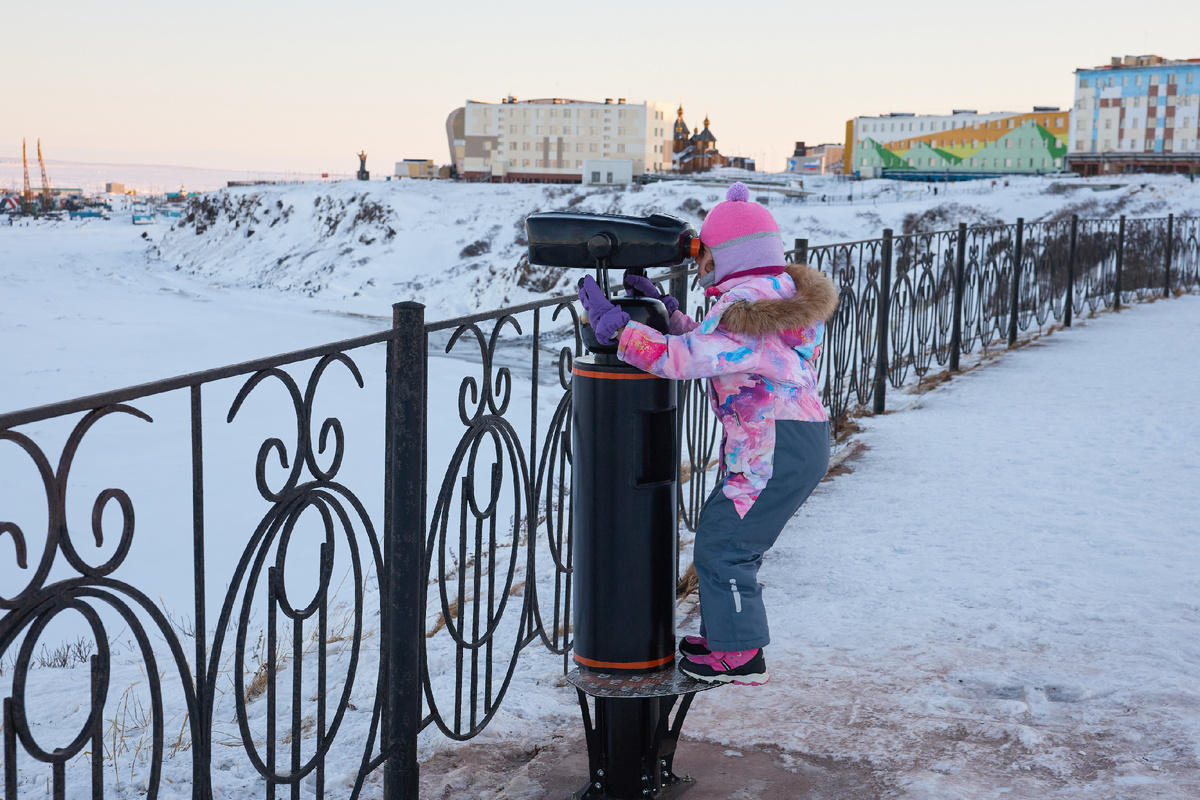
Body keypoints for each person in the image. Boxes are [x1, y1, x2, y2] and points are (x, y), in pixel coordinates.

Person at [577, 182, 838, 685]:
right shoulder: (774, 300)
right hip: (793, 437)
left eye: (704, 256)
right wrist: (673, 317)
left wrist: (621, 330)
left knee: (723, 546)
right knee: (732, 538)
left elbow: (685, 360)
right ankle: (727, 634)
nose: (698, 266)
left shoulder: (743, 310)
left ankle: (739, 654)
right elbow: (716, 347)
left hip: (771, 446)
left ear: (727, 258)